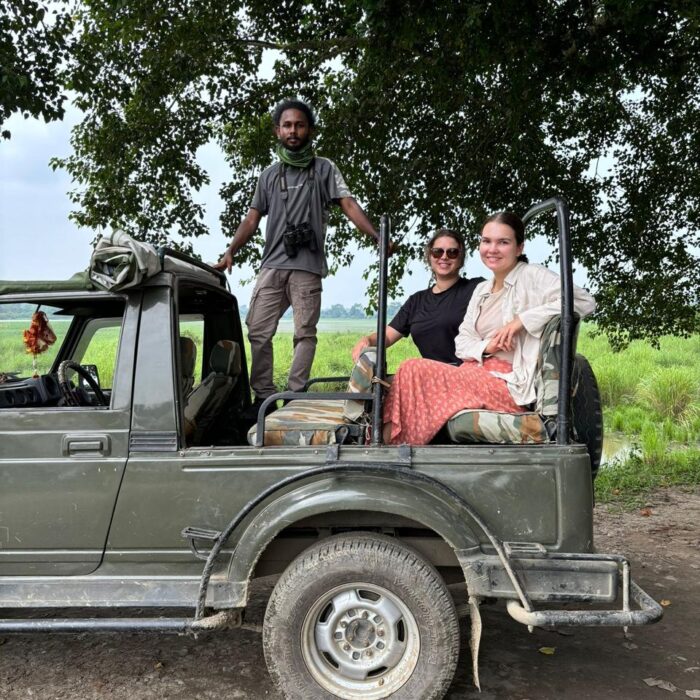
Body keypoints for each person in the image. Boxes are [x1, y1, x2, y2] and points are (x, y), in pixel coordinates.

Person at [215, 99, 386, 413]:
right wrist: (231, 251)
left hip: (306, 266)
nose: (293, 131)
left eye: (299, 125)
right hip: (272, 264)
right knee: (257, 330)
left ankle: (294, 396)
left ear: (310, 129)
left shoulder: (324, 168)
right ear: (277, 130)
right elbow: (252, 219)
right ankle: (263, 398)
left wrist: (376, 236)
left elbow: (348, 204)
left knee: (304, 333)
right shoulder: (268, 176)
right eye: (287, 125)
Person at [382, 211, 596, 445]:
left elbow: (584, 301)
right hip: (476, 373)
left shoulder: (531, 276)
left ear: (519, 247)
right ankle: (394, 446)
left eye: (503, 242)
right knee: (405, 380)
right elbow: (462, 343)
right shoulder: (482, 290)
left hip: (507, 384)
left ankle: (391, 448)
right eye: (487, 241)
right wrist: (487, 346)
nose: (492, 249)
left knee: (413, 368)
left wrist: (521, 321)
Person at [352, 229, 483, 364]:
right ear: (429, 256)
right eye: (438, 252)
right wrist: (367, 340)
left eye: (452, 252)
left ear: (461, 259)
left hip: (468, 373)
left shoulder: (477, 288)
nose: (444, 257)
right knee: (376, 380)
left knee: (409, 367)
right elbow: (387, 336)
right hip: (430, 376)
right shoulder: (416, 301)